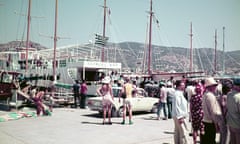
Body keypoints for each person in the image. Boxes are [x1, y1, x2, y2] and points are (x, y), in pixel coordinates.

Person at [201, 77, 226, 144]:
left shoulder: (205, 94)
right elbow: (214, 112)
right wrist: (217, 124)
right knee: (211, 140)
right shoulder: (210, 96)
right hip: (210, 122)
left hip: (205, 121)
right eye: (214, 85)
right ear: (211, 87)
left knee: (206, 140)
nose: (215, 87)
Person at [226, 78, 240, 144]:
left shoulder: (228, 94)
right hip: (238, 124)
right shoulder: (238, 96)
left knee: (232, 141)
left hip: (231, 123)